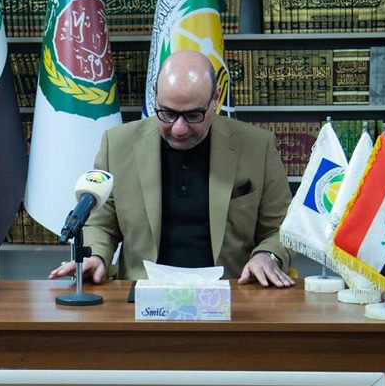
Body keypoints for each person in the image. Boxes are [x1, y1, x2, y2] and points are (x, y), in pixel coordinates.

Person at [49, 50, 294, 288]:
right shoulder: (118, 145)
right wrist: (96, 256)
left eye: (193, 115)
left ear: (216, 98)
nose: (178, 129)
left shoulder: (257, 147)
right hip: (142, 294)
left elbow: (282, 228)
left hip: (231, 293)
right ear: (155, 95)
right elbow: (102, 225)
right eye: (167, 113)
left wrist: (268, 255)